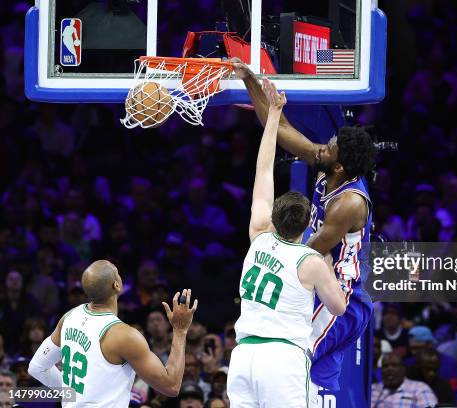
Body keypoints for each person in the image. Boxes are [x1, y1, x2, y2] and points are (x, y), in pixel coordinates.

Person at [233, 60, 376, 392]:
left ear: (339, 164)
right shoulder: (330, 164)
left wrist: (261, 260)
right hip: (316, 276)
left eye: (327, 149)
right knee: (308, 380)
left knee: (290, 357)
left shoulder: (349, 203)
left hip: (340, 296)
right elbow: (279, 127)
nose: (319, 148)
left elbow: (306, 256)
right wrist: (248, 80)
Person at [227, 77, 346, 407]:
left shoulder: (259, 234)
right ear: (308, 224)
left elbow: (263, 171)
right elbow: (338, 307)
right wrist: (330, 266)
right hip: (282, 359)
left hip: (244, 355)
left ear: (274, 215)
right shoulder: (310, 261)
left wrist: (275, 115)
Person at [27, 260, 198, 406]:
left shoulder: (69, 317)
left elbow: (37, 367)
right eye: (117, 272)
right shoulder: (124, 336)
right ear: (117, 285)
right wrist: (180, 330)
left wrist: (71, 394)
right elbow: (171, 386)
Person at [371, 354, 438, 408]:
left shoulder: (420, 388)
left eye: (394, 365)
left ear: (403, 369)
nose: (389, 369)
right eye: (385, 366)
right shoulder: (372, 389)